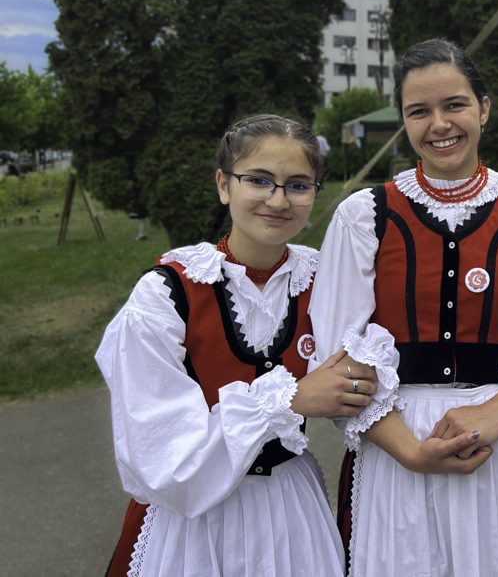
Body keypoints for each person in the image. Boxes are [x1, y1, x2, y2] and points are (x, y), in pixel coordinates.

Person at [310, 38, 498, 577]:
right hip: (397, 453)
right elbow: (337, 364)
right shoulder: (362, 218)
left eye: (455, 105)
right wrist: (412, 452)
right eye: (419, 111)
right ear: (404, 120)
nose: (439, 123)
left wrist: (494, 413)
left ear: (484, 108)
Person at [97, 114, 380, 577]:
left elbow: (368, 378)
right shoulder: (167, 295)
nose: (278, 199)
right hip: (192, 527)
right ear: (224, 185)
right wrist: (291, 399)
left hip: (291, 513)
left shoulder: (323, 282)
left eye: (298, 185)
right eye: (259, 180)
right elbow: (162, 459)